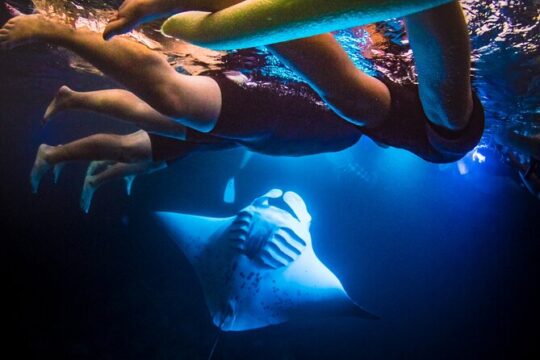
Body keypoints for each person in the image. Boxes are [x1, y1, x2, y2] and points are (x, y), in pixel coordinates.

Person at [0, 0, 484, 165]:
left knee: (358, 100)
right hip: (333, 113)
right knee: (365, 103)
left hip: (317, 112)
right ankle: (58, 31)